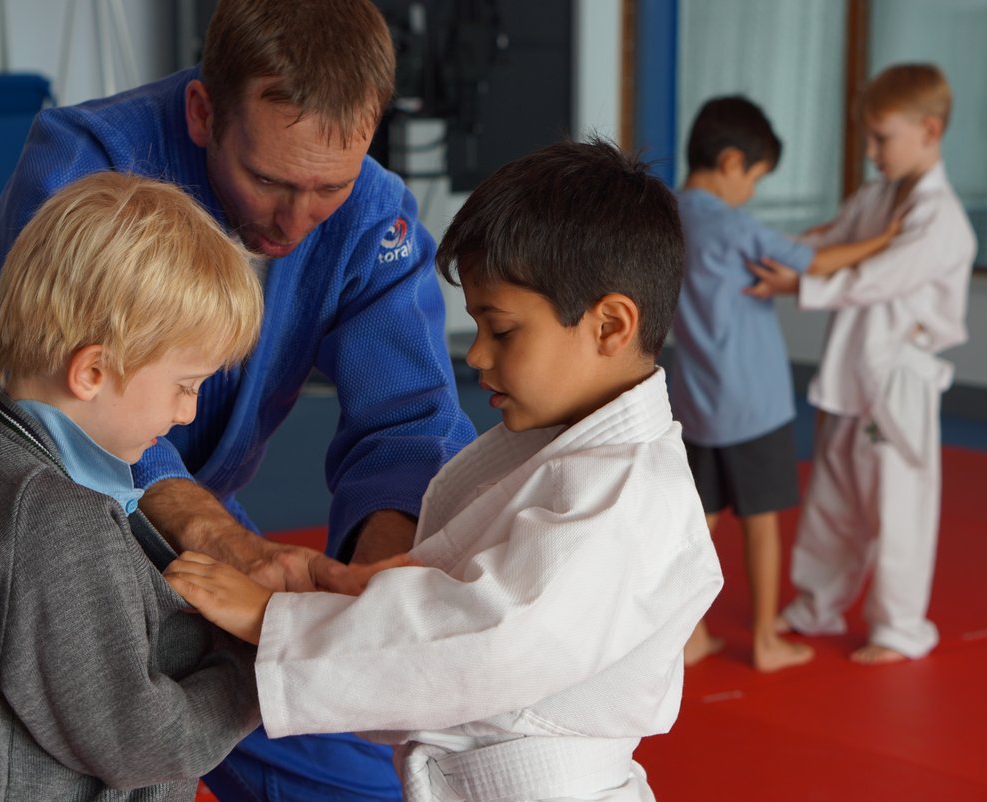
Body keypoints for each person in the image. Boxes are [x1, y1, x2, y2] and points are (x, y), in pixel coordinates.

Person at [0, 1, 476, 798]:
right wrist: (245, 617)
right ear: (204, 112)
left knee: (370, 783)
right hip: (24, 517)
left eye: (330, 187)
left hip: (198, 520)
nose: (296, 220)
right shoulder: (91, 163)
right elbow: (36, 388)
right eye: (268, 180)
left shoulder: (372, 212)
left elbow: (409, 423)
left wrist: (378, 592)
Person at [163, 139, 725, 802]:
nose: (478, 355)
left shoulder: (626, 498)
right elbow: (471, 598)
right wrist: (365, 591)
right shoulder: (576, 458)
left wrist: (274, 622)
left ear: (609, 326)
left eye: (502, 329)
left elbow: (491, 643)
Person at [0, 172, 273, 800]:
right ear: (93, 371)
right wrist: (261, 664)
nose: (188, 413)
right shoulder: (57, 522)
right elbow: (140, 741)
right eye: (185, 386)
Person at [748, 64, 976, 664]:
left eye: (881, 138)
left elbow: (877, 276)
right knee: (834, 496)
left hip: (899, 379)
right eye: (867, 138)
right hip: (853, 369)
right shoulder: (877, 196)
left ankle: (899, 628)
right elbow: (830, 242)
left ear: (929, 130)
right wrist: (765, 249)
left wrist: (797, 285)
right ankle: (818, 604)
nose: (871, 152)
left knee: (898, 505)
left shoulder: (941, 217)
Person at [671, 95, 900, 672]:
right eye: (754, 178)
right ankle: (765, 641)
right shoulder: (733, 225)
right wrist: (885, 240)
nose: (751, 192)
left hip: (697, 401)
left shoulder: (669, 215)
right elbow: (813, 264)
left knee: (698, 523)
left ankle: (690, 635)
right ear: (731, 162)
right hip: (752, 402)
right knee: (762, 524)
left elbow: (783, 247)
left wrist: (812, 237)